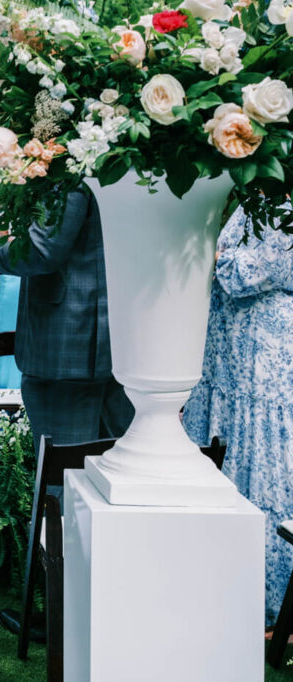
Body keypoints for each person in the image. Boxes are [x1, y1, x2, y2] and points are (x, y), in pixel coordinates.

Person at [184, 203, 293, 627]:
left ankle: (262, 596)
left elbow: (245, 272)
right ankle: (216, 578)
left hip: (261, 360)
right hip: (231, 359)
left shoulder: (283, 206)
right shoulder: (257, 201)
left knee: (260, 464)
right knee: (228, 451)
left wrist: (210, 254)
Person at [0, 186, 133, 454]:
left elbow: (41, 250)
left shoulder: (67, 173)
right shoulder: (119, 170)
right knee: (108, 469)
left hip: (68, 349)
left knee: (64, 472)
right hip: (112, 339)